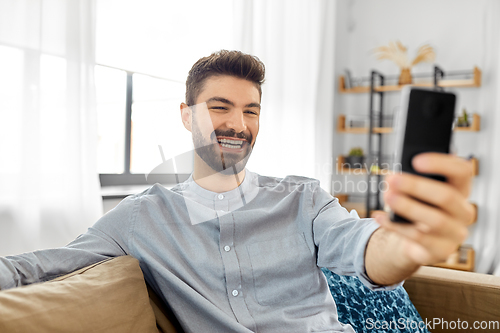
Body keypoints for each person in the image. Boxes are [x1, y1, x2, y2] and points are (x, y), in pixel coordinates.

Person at [0, 50, 474, 332]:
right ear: (186, 115)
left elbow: (368, 249)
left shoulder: (302, 199)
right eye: (220, 107)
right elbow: (39, 266)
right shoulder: (137, 219)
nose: (238, 124)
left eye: (252, 110)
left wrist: (408, 244)